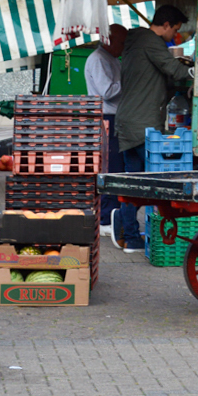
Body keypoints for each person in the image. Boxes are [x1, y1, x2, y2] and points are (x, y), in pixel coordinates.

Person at [114, 5, 192, 252]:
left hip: (128, 121)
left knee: (133, 184)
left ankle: (130, 238)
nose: (175, 37)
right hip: (141, 125)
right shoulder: (151, 42)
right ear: (166, 25)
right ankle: (150, 236)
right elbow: (175, 71)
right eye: (175, 31)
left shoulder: (136, 41)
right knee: (152, 184)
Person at [84, 23, 127, 238]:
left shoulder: (109, 58)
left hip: (113, 117)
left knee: (115, 165)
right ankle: (105, 217)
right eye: (121, 42)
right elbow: (107, 91)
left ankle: (109, 215)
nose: (123, 47)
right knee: (110, 166)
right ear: (109, 40)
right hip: (106, 117)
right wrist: (130, 80)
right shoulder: (99, 59)